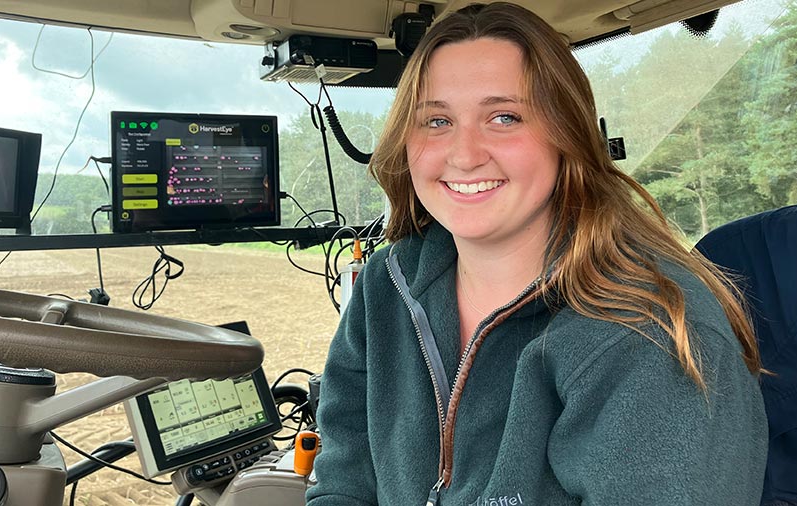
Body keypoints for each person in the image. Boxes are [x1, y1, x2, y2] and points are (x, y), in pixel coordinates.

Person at [305, 3, 768, 506]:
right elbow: (345, 482)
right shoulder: (385, 287)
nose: (464, 154)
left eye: (504, 117)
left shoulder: (648, 335)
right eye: (437, 121)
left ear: (567, 135)